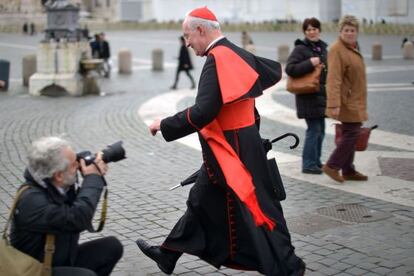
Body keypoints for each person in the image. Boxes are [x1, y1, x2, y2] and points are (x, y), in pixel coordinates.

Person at [137, 7, 305, 276]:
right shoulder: (235, 52)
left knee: (259, 210)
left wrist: (165, 124)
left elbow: (203, 111)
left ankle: (290, 268)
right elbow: (269, 74)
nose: (187, 42)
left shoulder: (217, 59)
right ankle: (167, 255)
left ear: (201, 30)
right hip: (234, 146)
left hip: (232, 151)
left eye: (187, 35)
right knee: (201, 199)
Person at [10, 136, 123, 276]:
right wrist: (94, 177)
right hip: (32, 271)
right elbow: (78, 218)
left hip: (57, 261)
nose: (78, 165)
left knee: (111, 247)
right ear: (58, 175)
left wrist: (80, 165)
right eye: (74, 164)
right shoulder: (31, 201)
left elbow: (75, 205)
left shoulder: (53, 184)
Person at [322, 15, 368, 183]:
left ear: (357, 32)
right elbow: (333, 79)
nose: (349, 33)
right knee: (352, 134)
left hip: (355, 100)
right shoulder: (337, 50)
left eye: (353, 30)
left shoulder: (353, 48)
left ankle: (348, 170)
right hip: (346, 101)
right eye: (346, 30)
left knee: (351, 133)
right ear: (340, 31)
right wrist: (333, 104)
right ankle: (332, 165)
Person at [285, 17, 328, 174]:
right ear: (305, 32)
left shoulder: (322, 48)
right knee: (314, 130)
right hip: (307, 95)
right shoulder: (300, 49)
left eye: (314, 29)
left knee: (321, 130)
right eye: (308, 29)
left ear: (319, 30)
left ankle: (316, 161)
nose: (311, 32)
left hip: (320, 95)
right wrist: (310, 63)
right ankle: (308, 164)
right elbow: (290, 69)